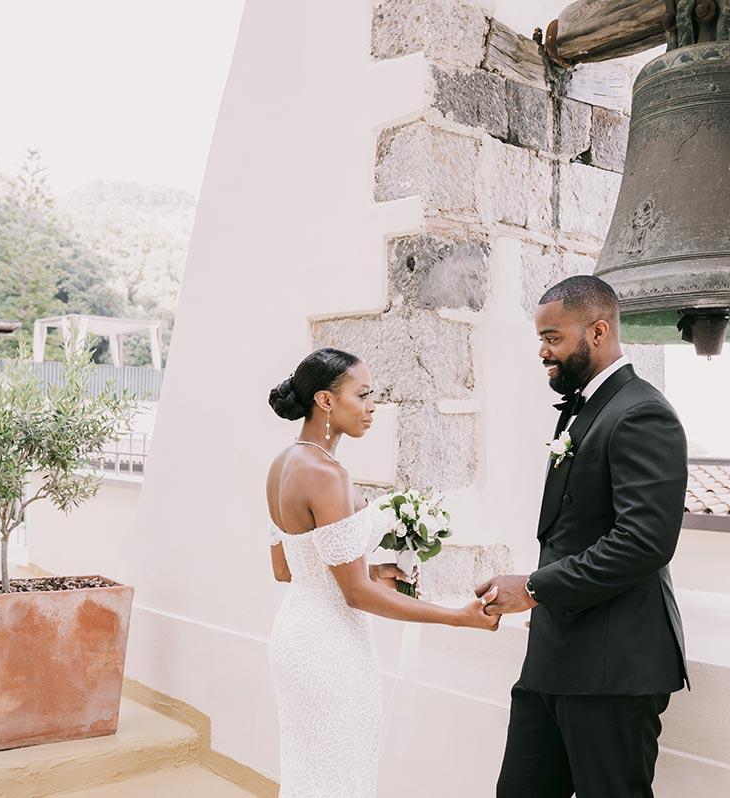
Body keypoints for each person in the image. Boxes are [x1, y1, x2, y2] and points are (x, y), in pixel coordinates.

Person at [477, 276, 690, 798]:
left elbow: (643, 542)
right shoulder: (587, 408)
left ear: (598, 331)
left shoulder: (642, 412)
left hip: (612, 668)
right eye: (541, 340)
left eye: (553, 338)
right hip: (553, 659)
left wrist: (533, 588)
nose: (543, 352)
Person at [266, 347, 499, 798]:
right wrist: (458, 616)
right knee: (341, 775)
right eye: (363, 395)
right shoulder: (327, 475)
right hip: (331, 647)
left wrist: (377, 572)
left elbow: (287, 569)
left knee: (311, 773)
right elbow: (353, 594)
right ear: (325, 401)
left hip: (296, 637)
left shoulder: (283, 463)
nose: (373, 407)